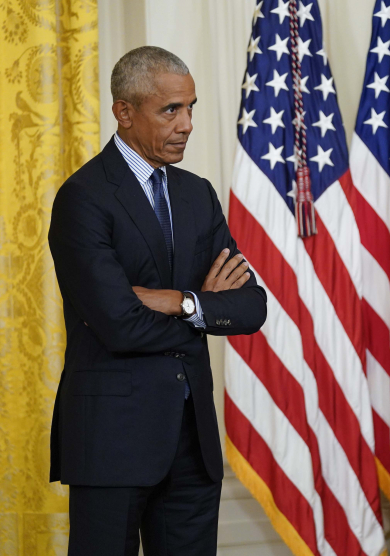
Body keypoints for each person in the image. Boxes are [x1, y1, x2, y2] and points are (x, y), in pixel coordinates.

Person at [48, 46, 267, 555]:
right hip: (113, 443)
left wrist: (179, 301)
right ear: (124, 112)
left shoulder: (198, 193)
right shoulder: (83, 198)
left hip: (193, 444)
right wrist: (207, 307)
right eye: (171, 110)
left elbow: (251, 307)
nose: (187, 123)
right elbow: (120, 325)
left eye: (190, 107)